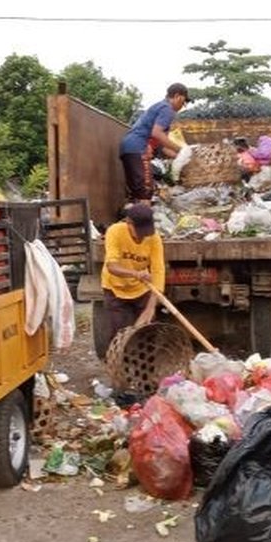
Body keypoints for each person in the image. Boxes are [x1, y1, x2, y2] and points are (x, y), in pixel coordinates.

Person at [97, 203, 165, 359]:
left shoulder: (154, 238)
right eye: (139, 231)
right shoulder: (115, 232)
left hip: (141, 290)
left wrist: (150, 308)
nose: (142, 236)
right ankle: (121, 370)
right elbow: (112, 266)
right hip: (115, 289)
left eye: (146, 232)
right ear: (128, 223)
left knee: (147, 333)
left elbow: (158, 271)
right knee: (119, 334)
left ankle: (146, 371)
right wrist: (136, 274)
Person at [120, 83, 189, 202]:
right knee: (145, 192)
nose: (183, 106)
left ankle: (135, 217)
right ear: (178, 96)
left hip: (130, 148)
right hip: (138, 148)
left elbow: (162, 147)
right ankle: (143, 219)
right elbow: (157, 133)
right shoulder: (167, 109)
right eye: (183, 102)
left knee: (138, 192)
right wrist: (182, 150)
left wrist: (182, 157)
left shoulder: (160, 107)